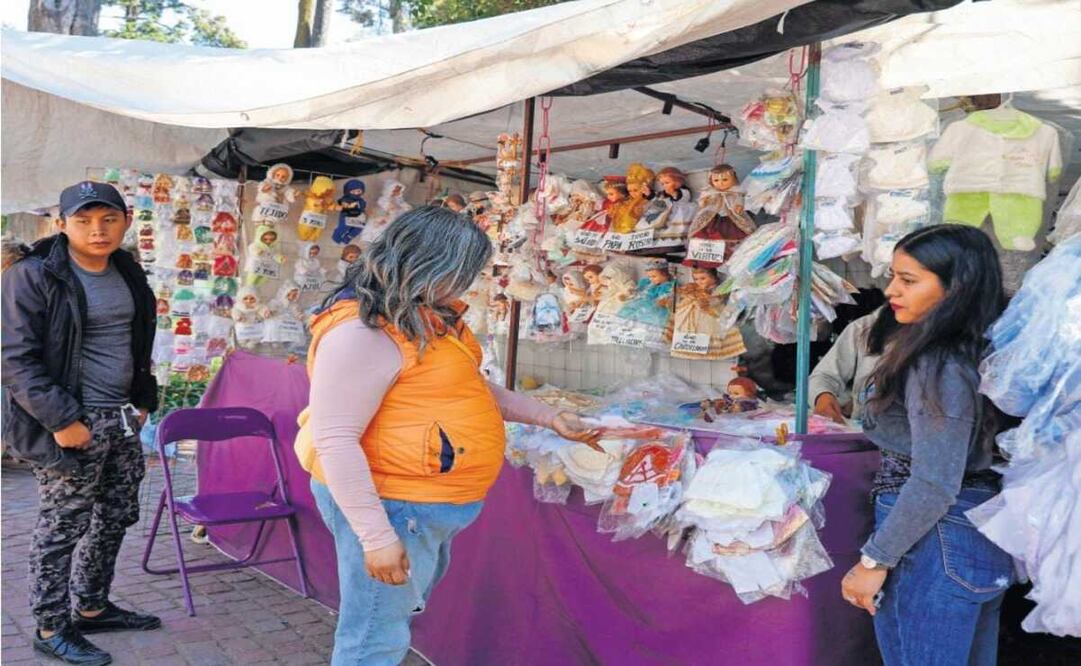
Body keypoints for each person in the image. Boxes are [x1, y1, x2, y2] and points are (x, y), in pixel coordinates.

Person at [295, 206, 602, 665]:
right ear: (427, 264)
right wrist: (376, 537)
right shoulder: (361, 332)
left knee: (389, 622)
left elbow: (467, 387)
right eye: (459, 274)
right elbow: (336, 439)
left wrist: (547, 416)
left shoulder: (429, 317)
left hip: (419, 506)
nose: (465, 286)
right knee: (373, 638)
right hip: (392, 503)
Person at [2, 182, 161, 666]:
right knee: (62, 525)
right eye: (85, 219)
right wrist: (63, 420)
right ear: (61, 224)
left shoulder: (127, 270)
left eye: (108, 218)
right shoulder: (33, 276)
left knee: (115, 516)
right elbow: (13, 359)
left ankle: (92, 606)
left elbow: (135, 341)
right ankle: (51, 626)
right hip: (71, 423)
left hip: (120, 418)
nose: (98, 229)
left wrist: (142, 399)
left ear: (126, 220)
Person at [840, 224, 1014, 666]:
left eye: (909, 280)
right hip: (976, 529)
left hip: (934, 537)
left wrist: (874, 562)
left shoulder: (939, 360)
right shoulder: (983, 349)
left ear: (957, 287)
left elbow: (935, 482)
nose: (891, 290)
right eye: (894, 276)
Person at [808, 313, 883, 423]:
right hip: (865, 434)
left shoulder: (916, 339)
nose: (893, 294)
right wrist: (823, 397)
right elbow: (824, 376)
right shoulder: (864, 327)